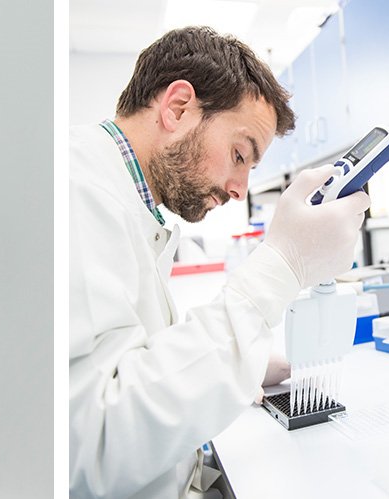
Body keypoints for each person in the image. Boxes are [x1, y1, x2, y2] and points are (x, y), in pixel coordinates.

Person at [69, 26, 371, 499]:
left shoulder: (125, 196)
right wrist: (282, 265)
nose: (239, 188)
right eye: (239, 154)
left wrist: (242, 365)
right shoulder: (77, 192)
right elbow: (94, 445)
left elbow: (128, 356)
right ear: (178, 108)